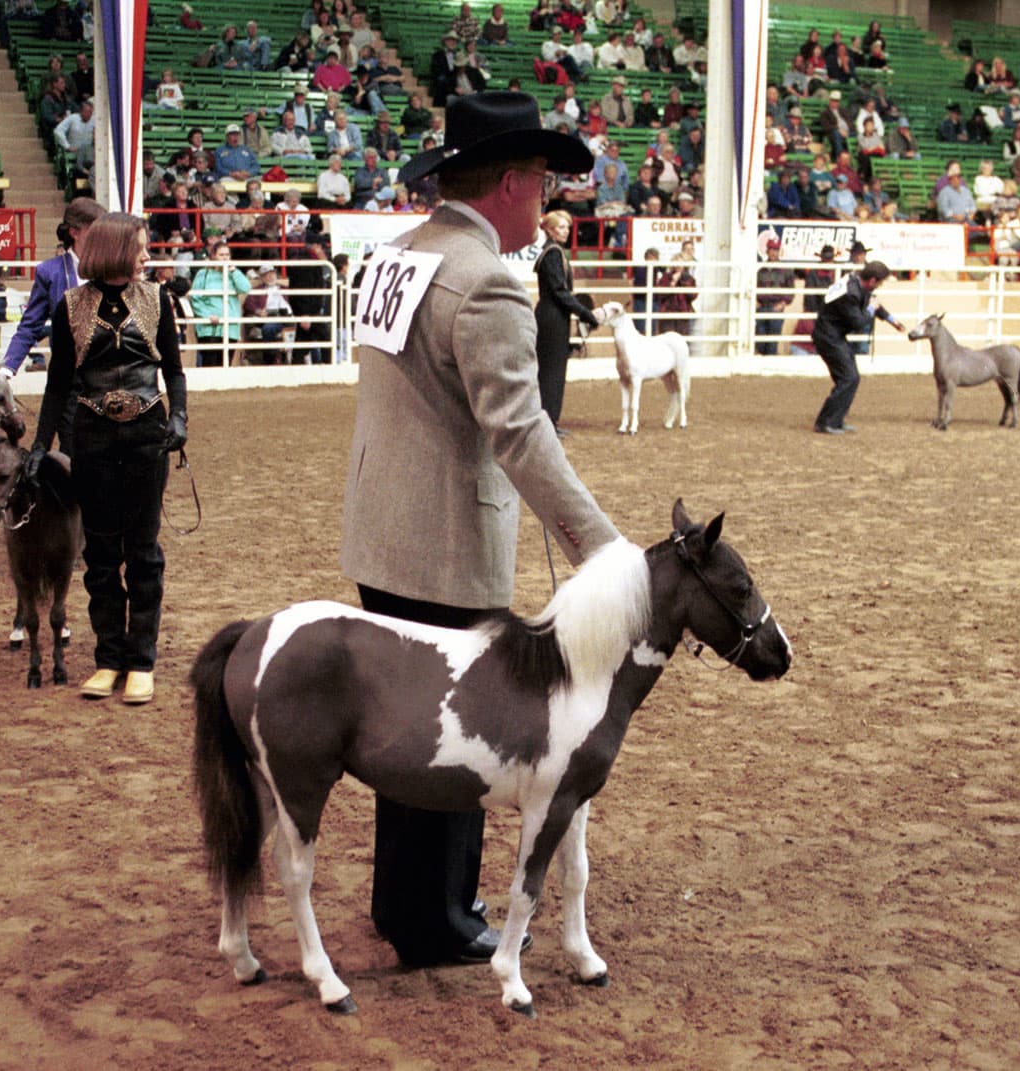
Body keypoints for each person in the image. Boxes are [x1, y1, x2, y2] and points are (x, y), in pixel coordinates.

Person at [341, 90, 624, 969]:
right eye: (541, 183)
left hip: (381, 526)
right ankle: (437, 919)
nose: (545, 202)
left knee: (403, 728)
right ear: (509, 183)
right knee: (452, 735)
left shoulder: (400, 254)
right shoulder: (488, 279)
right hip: (447, 543)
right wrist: (599, 544)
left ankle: (406, 905)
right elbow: (520, 430)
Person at [24, 212, 187, 704]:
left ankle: (141, 660)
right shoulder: (70, 305)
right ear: (116, 250)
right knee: (98, 555)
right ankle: (108, 658)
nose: (147, 256)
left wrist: (178, 418)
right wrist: (39, 444)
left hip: (146, 439)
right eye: (140, 247)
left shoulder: (158, 300)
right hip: (90, 439)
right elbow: (57, 386)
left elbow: (174, 372)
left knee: (142, 552)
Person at [1, 197, 106, 376]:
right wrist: (7, 367)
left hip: (106, 376)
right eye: (96, 230)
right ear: (75, 233)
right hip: (66, 377)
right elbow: (30, 325)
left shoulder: (111, 268)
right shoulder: (50, 272)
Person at [811, 261, 905, 434]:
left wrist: (892, 321)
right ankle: (825, 423)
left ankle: (835, 420)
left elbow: (874, 304)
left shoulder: (855, 283)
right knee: (848, 377)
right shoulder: (851, 294)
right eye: (880, 283)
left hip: (834, 336)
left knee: (850, 378)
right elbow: (859, 322)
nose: (880, 286)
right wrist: (870, 309)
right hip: (828, 337)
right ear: (872, 281)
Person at [533, 209, 605, 431]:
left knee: (551, 368)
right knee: (552, 370)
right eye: (562, 227)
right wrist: (586, 313)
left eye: (567, 227)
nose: (566, 231)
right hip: (553, 316)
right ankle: (548, 421)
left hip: (552, 314)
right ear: (552, 230)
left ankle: (549, 419)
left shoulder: (553, 252)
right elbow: (559, 291)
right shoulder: (554, 253)